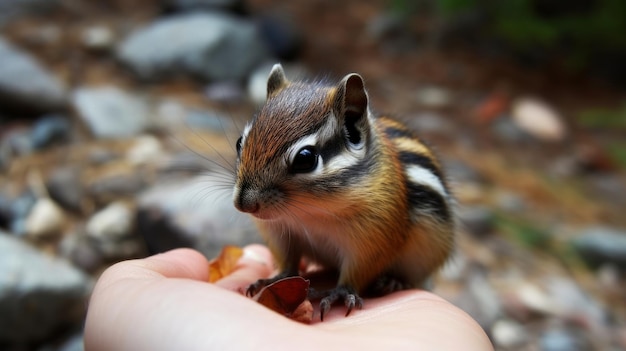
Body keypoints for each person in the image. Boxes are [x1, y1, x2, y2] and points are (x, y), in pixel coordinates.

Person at [84, 245, 493, 350]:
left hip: (398, 259)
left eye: (301, 161)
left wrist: (351, 282)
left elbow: (376, 237)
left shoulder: (371, 193)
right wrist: (286, 266)